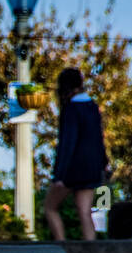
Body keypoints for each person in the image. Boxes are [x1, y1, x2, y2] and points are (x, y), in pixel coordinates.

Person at [43, 67, 109, 242]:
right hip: (92, 168)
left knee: (50, 207)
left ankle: (61, 247)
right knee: (85, 211)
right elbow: (99, 140)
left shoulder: (71, 109)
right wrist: (103, 164)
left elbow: (67, 144)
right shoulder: (92, 107)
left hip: (72, 170)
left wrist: (59, 176)